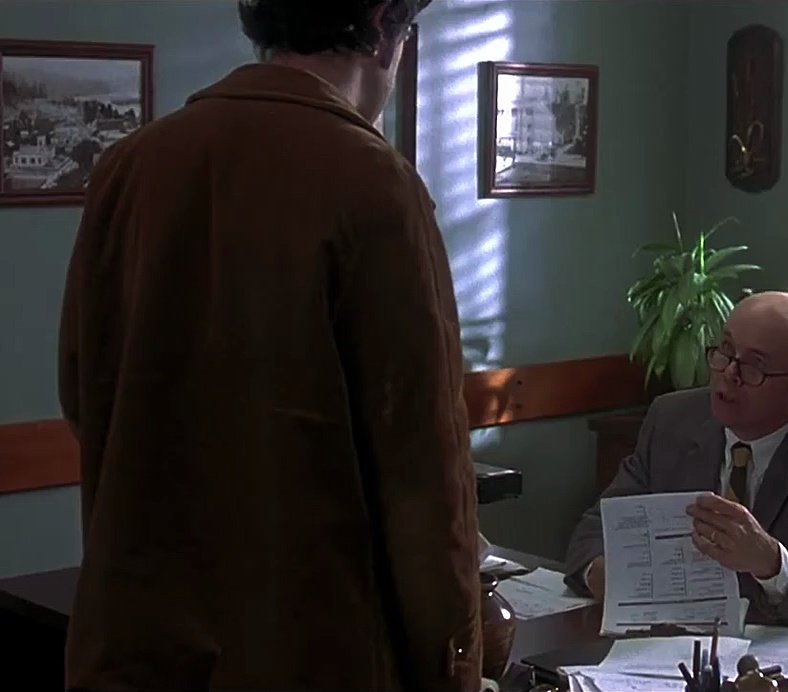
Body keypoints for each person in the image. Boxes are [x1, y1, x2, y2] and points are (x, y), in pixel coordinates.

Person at [56, 1, 483, 690]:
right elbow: (421, 472)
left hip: (134, 647)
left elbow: (84, 392)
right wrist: (456, 663)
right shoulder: (374, 182)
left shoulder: (129, 166)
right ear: (384, 29)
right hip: (307, 653)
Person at [563, 291, 788, 635]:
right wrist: (599, 573)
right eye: (726, 350)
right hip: (678, 642)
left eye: (755, 366)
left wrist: (771, 561)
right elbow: (594, 530)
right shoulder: (672, 421)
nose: (730, 373)